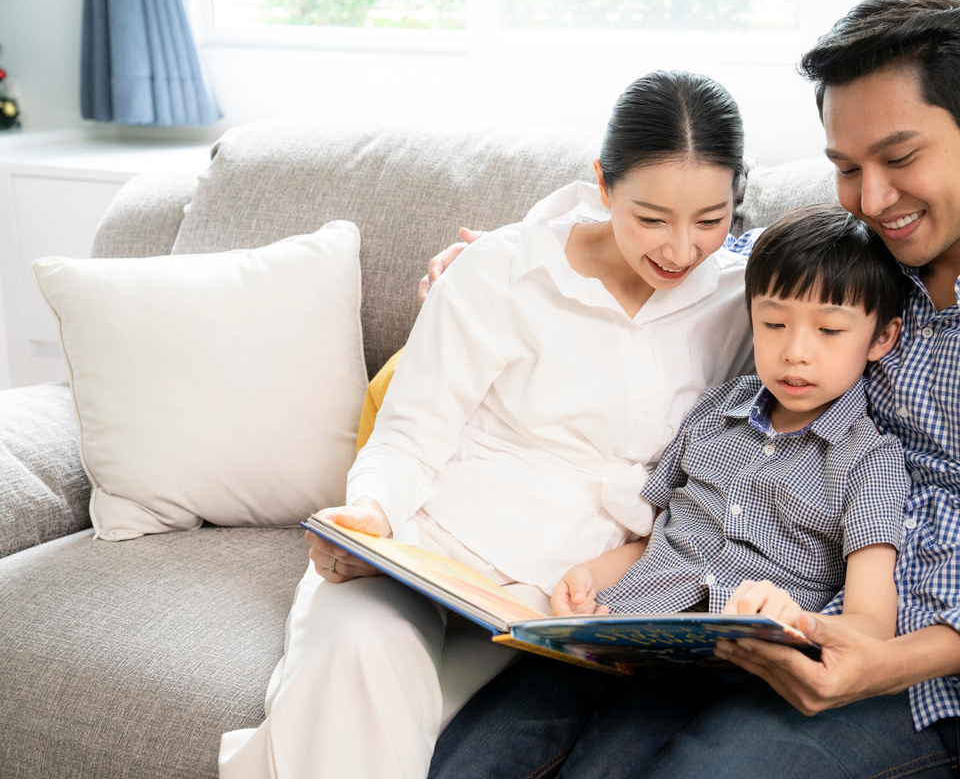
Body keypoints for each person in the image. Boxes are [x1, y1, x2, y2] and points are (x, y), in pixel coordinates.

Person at [428, 0, 960, 778]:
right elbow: (686, 238)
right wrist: (509, 266)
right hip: (854, 660)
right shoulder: (849, 263)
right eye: (845, 169)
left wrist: (892, 659)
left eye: (900, 159)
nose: (872, 200)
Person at [217, 69, 760, 779]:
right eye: (651, 219)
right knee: (357, 654)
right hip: (434, 544)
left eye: (710, 220)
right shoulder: (505, 268)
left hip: (559, 595)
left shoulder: (747, 299)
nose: (682, 249)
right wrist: (369, 514)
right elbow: (413, 430)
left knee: (414, 725)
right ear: (602, 185)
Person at [552, 203, 909, 654]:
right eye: (774, 324)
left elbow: (872, 624)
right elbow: (657, 540)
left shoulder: (869, 461)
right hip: (625, 623)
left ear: (882, 337)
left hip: (739, 665)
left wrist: (796, 621)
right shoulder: (716, 410)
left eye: (830, 330)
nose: (795, 351)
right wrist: (589, 575)